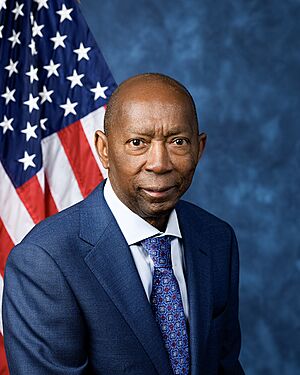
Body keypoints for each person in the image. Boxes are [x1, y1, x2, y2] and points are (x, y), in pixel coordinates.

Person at [3, 73, 244, 374]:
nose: (159, 163)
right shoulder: (44, 261)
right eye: (137, 143)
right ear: (104, 149)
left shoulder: (217, 239)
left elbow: (224, 365)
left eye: (178, 141)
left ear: (200, 147)